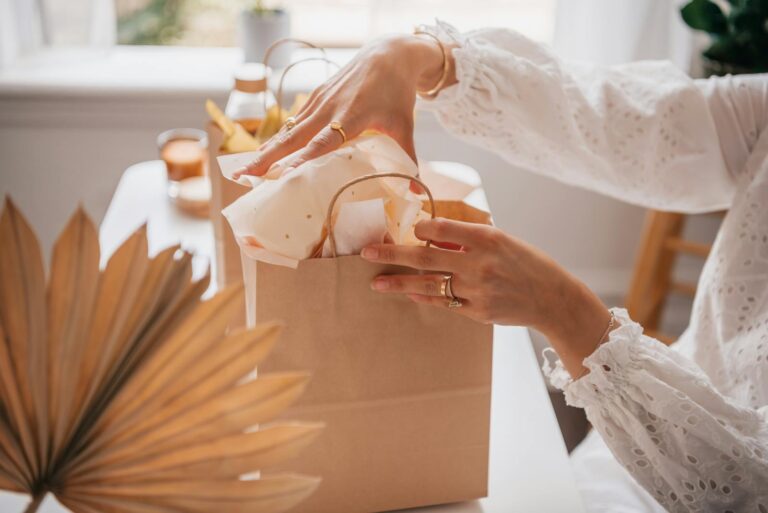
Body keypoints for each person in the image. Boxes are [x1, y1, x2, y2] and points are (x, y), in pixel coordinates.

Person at [234, 21, 768, 513]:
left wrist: (567, 312)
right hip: (627, 446)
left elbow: (747, 489)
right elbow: (618, 117)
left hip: (669, 467)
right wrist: (415, 55)